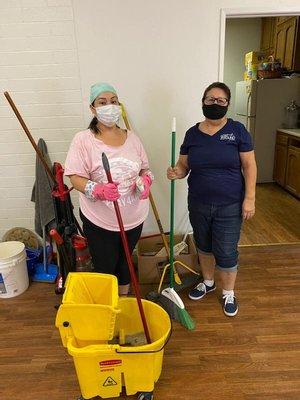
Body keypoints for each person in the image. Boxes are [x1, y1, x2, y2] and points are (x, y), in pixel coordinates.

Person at [167, 82, 257, 317]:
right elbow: (184, 165)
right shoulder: (192, 133)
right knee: (204, 246)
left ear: (227, 104)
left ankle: (228, 292)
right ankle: (208, 282)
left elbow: (249, 165)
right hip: (198, 202)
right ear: (203, 102)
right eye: (210, 99)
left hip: (230, 204)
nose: (214, 104)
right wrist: (176, 172)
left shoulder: (237, 131)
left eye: (220, 100)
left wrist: (250, 198)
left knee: (226, 251)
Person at [64, 82, 153, 295]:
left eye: (114, 101)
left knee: (125, 266)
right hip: (100, 222)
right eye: (102, 102)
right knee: (106, 268)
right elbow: (75, 177)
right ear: (93, 109)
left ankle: (122, 305)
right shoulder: (83, 140)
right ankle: (108, 309)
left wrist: (146, 181)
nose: (109, 106)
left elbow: (146, 169)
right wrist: (97, 189)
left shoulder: (132, 138)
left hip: (134, 219)